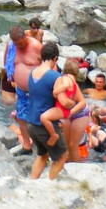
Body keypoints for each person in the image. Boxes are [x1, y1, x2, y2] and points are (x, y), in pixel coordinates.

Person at [25, 42, 67, 179]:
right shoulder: (55, 77)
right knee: (61, 156)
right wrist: (73, 104)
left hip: (31, 122)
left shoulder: (32, 73)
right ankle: (51, 185)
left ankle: (32, 182)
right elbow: (64, 101)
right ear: (55, 58)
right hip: (45, 126)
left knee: (43, 154)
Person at [39, 58, 89, 165]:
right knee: (66, 144)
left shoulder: (66, 80)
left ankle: (75, 168)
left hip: (79, 113)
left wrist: (71, 112)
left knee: (72, 144)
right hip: (67, 113)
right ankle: (67, 165)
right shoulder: (66, 80)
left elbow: (82, 102)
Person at [11, 25, 43, 152]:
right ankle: (27, 145)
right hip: (21, 90)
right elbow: (8, 64)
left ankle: (43, 148)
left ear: (25, 36)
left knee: (40, 118)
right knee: (21, 117)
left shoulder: (36, 46)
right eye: (17, 44)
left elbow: (50, 65)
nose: (20, 46)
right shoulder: (12, 48)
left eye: (22, 43)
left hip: (37, 90)